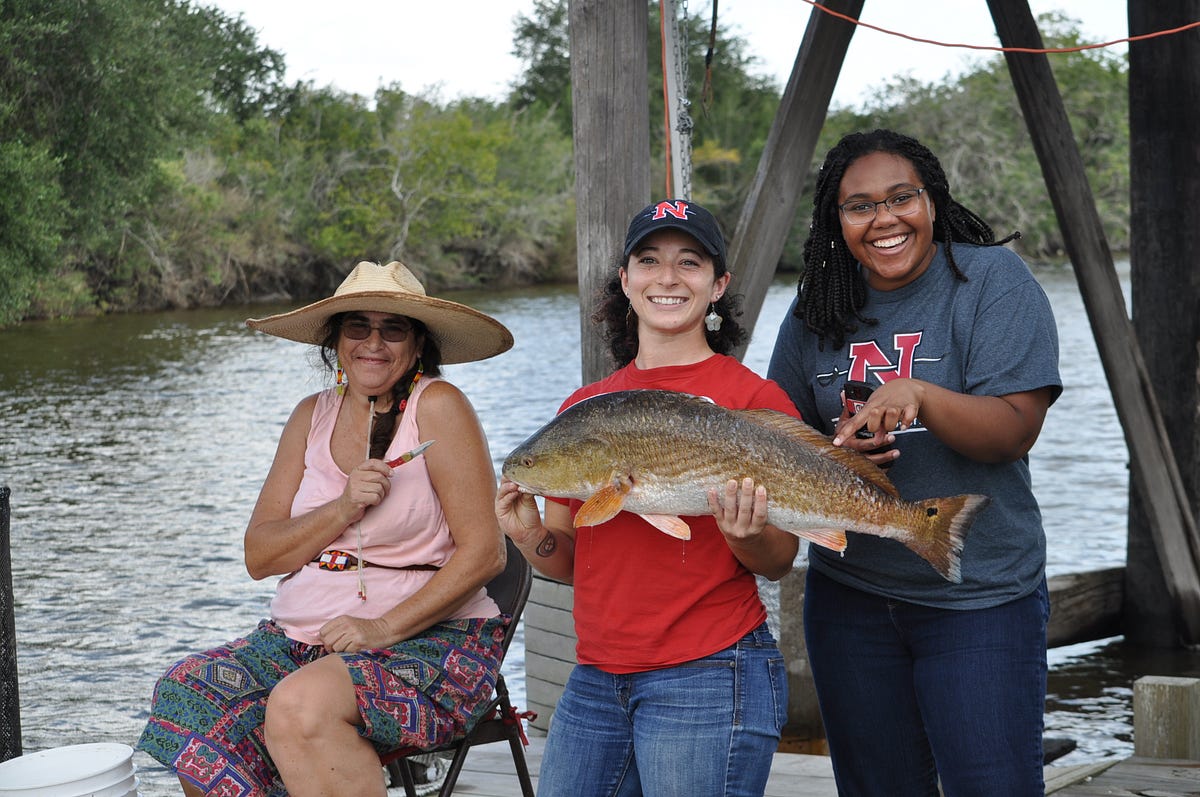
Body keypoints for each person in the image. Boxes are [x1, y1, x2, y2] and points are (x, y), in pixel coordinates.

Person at [137, 260, 515, 797]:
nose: (373, 343)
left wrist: (380, 629)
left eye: (394, 328)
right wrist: (341, 509)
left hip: (428, 643)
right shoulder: (309, 415)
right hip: (298, 641)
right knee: (188, 692)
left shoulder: (439, 407)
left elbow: (485, 554)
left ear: (418, 342)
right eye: (357, 326)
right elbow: (260, 557)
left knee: (301, 703)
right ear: (336, 340)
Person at [768, 129, 1062, 796]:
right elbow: (782, 435)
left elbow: (1015, 429)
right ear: (835, 221)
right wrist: (839, 445)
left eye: (902, 198)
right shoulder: (816, 306)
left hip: (981, 596)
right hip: (852, 598)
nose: (885, 219)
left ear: (932, 200)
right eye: (860, 205)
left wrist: (921, 392)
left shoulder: (990, 280)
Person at [496, 199, 800, 797]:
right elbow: (571, 564)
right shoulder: (584, 411)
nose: (667, 277)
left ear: (718, 285)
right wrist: (529, 533)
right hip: (596, 678)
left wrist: (747, 534)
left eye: (690, 262)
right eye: (649, 259)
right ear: (626, 280)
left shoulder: (753, 400)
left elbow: (781, 559)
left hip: (711, 670)